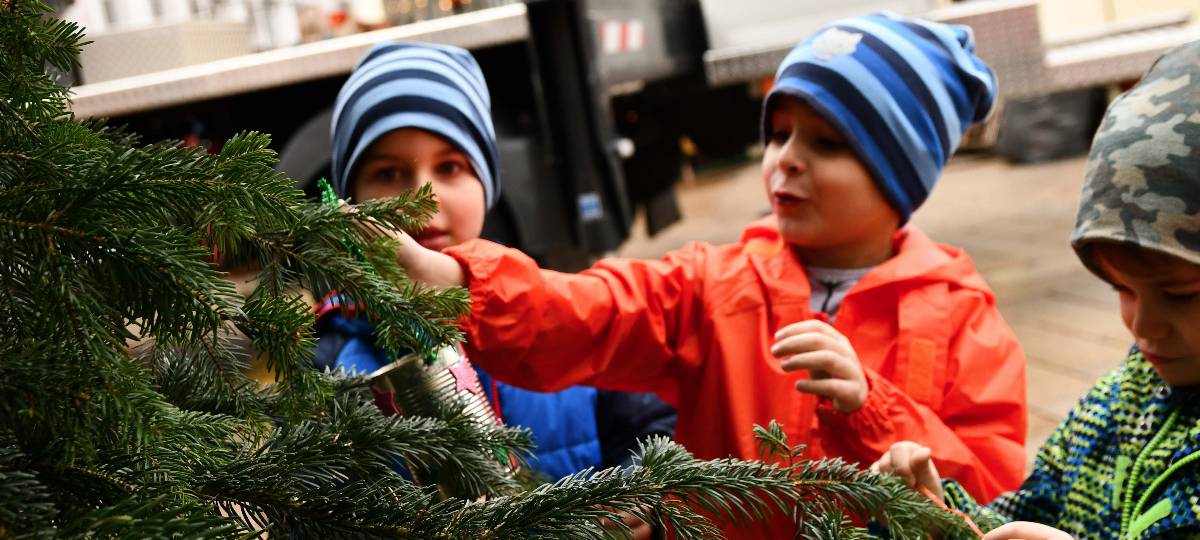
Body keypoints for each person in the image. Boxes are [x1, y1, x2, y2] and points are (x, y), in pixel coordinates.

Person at [384, 14, 1028, 534]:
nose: (786, 160)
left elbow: (994, 495)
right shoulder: (716, 285)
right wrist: (458, 283)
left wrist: (872, 408)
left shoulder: (962, 318)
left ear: (901, 176)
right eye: (779, 134)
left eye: (827, 143)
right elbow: (593, 310)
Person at [872, 41, 1200, 540]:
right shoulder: (1116, 405)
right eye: (1121, 288)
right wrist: (940, 515)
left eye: (1180, 294)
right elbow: (1028, 512)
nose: (1143, 325)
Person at [312, 42, 676, 483]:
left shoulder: (554, 317)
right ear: (350, 200)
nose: (423, 199)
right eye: (389, 173)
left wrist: (632, 500)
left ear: (487, 185)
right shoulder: (327, 363)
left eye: (450, 167)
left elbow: (656, 437)